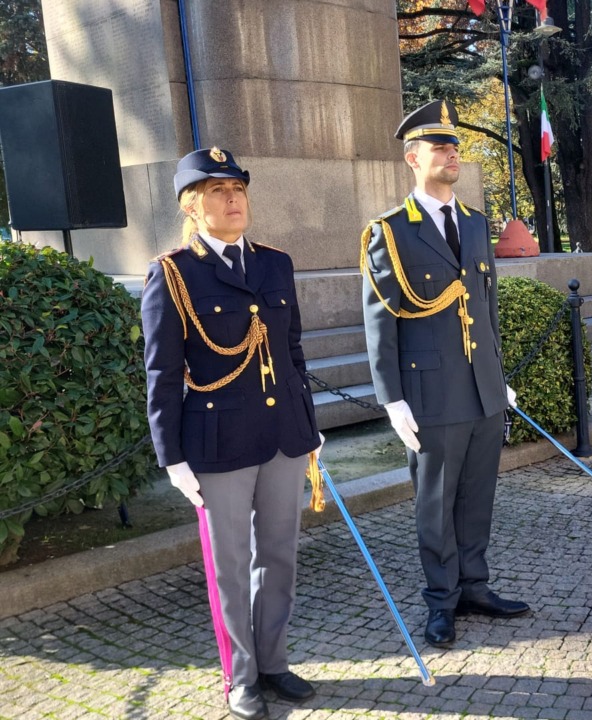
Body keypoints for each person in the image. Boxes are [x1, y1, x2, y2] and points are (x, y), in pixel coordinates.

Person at [141, 148, 323, 720]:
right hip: (217, 442)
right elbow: (162, 372)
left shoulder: (275, 263)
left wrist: (308, 424)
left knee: (279, 557)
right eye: (218, 191)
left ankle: (273, 662)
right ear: (192, 207)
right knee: (231, 568)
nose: (233, 199)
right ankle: (240, 678)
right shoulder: (173, 273)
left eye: (238, 188)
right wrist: (172, 458)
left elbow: (291, 351)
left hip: (283, 435)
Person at [361, 99, 528, 649]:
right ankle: (441, 601)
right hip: (430, 393)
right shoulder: (390, 231)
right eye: (440, 147)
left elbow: (486, 305)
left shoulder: (476, 223)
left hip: (482, 390)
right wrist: (392, 399)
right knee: (434, 503)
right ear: (413, 158)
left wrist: (497, 374)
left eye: (455, 146)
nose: (452, 154)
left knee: (477, 496)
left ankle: (474, 586)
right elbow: (380, 320)